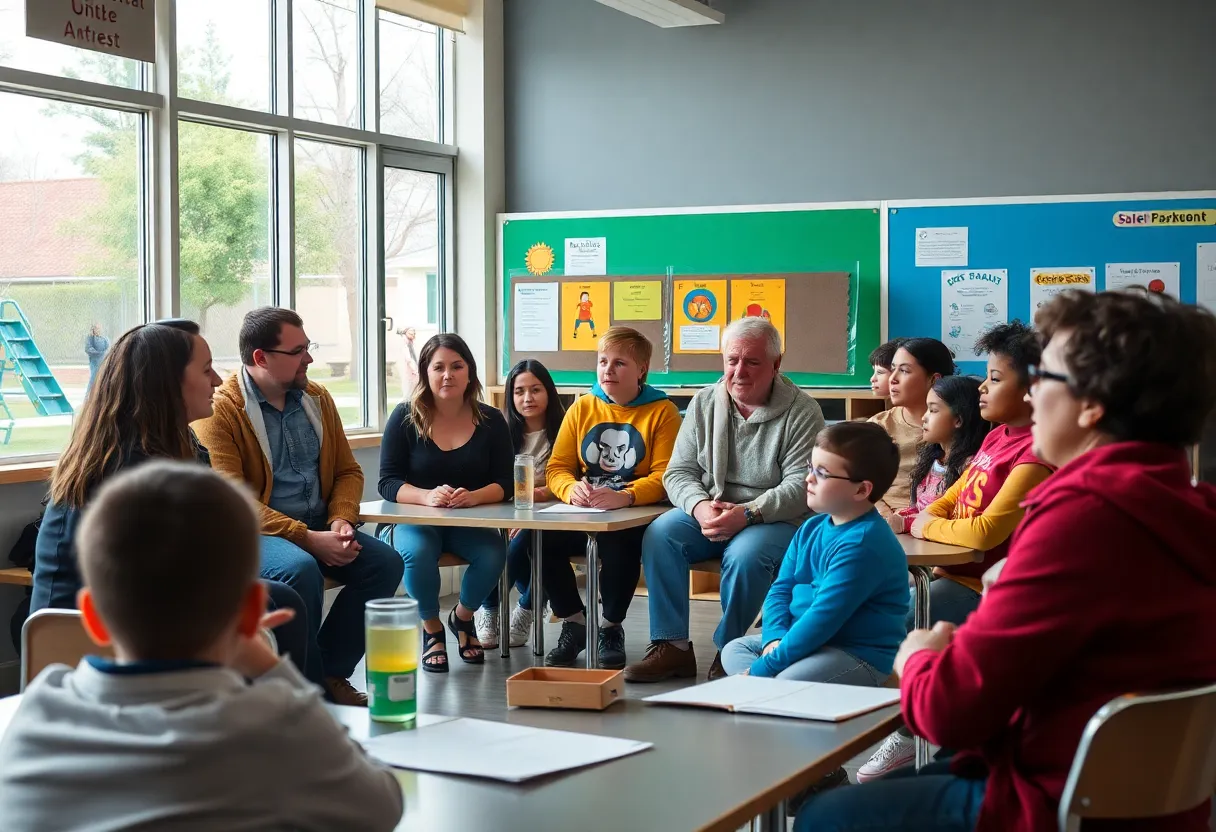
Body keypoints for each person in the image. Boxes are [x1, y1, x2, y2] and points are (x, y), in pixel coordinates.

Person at [796, 289, 1216, 832]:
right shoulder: (1190, 506)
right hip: (1155, 806)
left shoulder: (1083, 517)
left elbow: (948, 711)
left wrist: (919, 657)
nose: (1033, 393)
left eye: (1047, 378)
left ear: (1091, 403)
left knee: (825, 815)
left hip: (1054, 802)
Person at [0, 462, 403, 831]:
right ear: (250, 612)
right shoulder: (276, 723)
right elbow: (382, 806)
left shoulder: (35, 715)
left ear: (91, 617)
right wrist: (275, 671)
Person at [30, 320, 313, 682]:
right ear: (167, 384)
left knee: (278, 597)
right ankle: (296, 706)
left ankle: (298, 702)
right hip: (99, 646)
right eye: (206, 370)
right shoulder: (141, 476)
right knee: (273, 602)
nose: (217, 380)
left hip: (105, 631)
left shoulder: (158, 448)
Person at [858, 321, 1053, 782]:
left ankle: (908, 731)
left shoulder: (1034, 454)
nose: (982, 387)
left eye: (995, 379)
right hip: (949, 572)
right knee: (876, 608)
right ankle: (918, 726)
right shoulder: (997, 437)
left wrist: (926, 524)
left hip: (976, 586)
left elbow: (984, 533)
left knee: (894, 623)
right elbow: (949, 496)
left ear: (1033, 390)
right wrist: (927, 519)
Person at [195, 307, 404, 707]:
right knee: (299, 569)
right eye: (297, 351)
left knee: (386, 564)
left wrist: (340, 520)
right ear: (261, 357)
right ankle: (301, 693)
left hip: (319, 525)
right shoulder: (220, 411)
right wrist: (307, 538)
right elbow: (233, 502)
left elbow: (347, 471)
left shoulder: (317, 398)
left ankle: (326, 674)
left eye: (308, 348)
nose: (309, 358)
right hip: (255, 533)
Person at [624, 317, 824, 683]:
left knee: (746, 556)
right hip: (711, 508)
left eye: (752, 362)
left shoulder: (803, 411)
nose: (739, 371)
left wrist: (747, 513)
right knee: (660, 534)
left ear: (776, 364)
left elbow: (801, 486)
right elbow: (678, 472)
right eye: (732, 360)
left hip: (774, 518)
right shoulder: (704, 402)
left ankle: (729, 650)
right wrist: (700, 507)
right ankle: (672, 646)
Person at [720, 421, 908, 686]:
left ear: (861, 490)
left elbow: (822, 620)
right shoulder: (811, 527)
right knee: (735, 649)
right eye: (810, 467)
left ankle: (767, 691)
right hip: (801, 640)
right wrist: (774, 638)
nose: (808, 478)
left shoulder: (863, 544)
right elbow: (780, 588)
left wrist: (764, 668)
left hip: (855, 653)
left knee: (786, 680)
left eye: (822, 473)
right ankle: (772, 692)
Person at [543, 326, 681, 669]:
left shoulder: (663, 412)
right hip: (584, 510)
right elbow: (557, 468)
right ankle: (574, 621)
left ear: (641, 370)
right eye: (603, 361)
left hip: (631, 514)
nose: (608, 369)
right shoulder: (581, 407)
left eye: (619, 363)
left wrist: (627, 496)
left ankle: (609, 627)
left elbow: (666, 477)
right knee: (539, 539)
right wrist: (570, 488)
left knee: (620, 545)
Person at [376, 332, 511, 672]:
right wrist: (426, 496)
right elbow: (387, 482)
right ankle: (432, 628)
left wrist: (474, 496)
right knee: (418, 553)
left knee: (494, 552)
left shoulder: (492, 421)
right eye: (438, 367)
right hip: (416, 520)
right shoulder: (404, 416)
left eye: (456, 366)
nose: (447, 375)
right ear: (426, 372)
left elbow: (507, 483)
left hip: (468, 521)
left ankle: (462, 618)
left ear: (469, 372)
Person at [473, 358, 565, 649]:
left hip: (554, 514)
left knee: (530, 539)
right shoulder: (499, 431)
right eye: (519, 391)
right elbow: (494, 481)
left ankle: (525, 608)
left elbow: (571, 477)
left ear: (548, 391)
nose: (528, 398)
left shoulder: (566, 428)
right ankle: (493, 609)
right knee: (508, 543)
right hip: (507, 512)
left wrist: (540, 494)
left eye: (535, 389)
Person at [889, 375, 989, 534]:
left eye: (933, 410)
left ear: (958, 420)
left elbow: (955, 518)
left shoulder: (970, 466)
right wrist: (901, 515)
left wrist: (906, 523)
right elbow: (920, 507)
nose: (924, 417)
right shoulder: (933, 458)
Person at [869, 338, 955, 516]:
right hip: (886, 520)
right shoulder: (878, 427)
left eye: (904, 371)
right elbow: (857, 481)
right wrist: (885, 514)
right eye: (893, 369)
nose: (892, 379)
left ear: (934, 380)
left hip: (938, 522)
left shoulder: (957, 426)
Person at [84, 322, 109, 395]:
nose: (97, 329)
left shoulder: (104, 338)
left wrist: (104, 354)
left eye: (98, 328)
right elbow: (88, 349)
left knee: (104, 379)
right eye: (96, 328)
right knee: (94, 379)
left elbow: (108, 348)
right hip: (95, 363)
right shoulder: (90, 338)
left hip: (104, 362)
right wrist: (99, 353)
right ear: (93, 329)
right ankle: (89, 395)